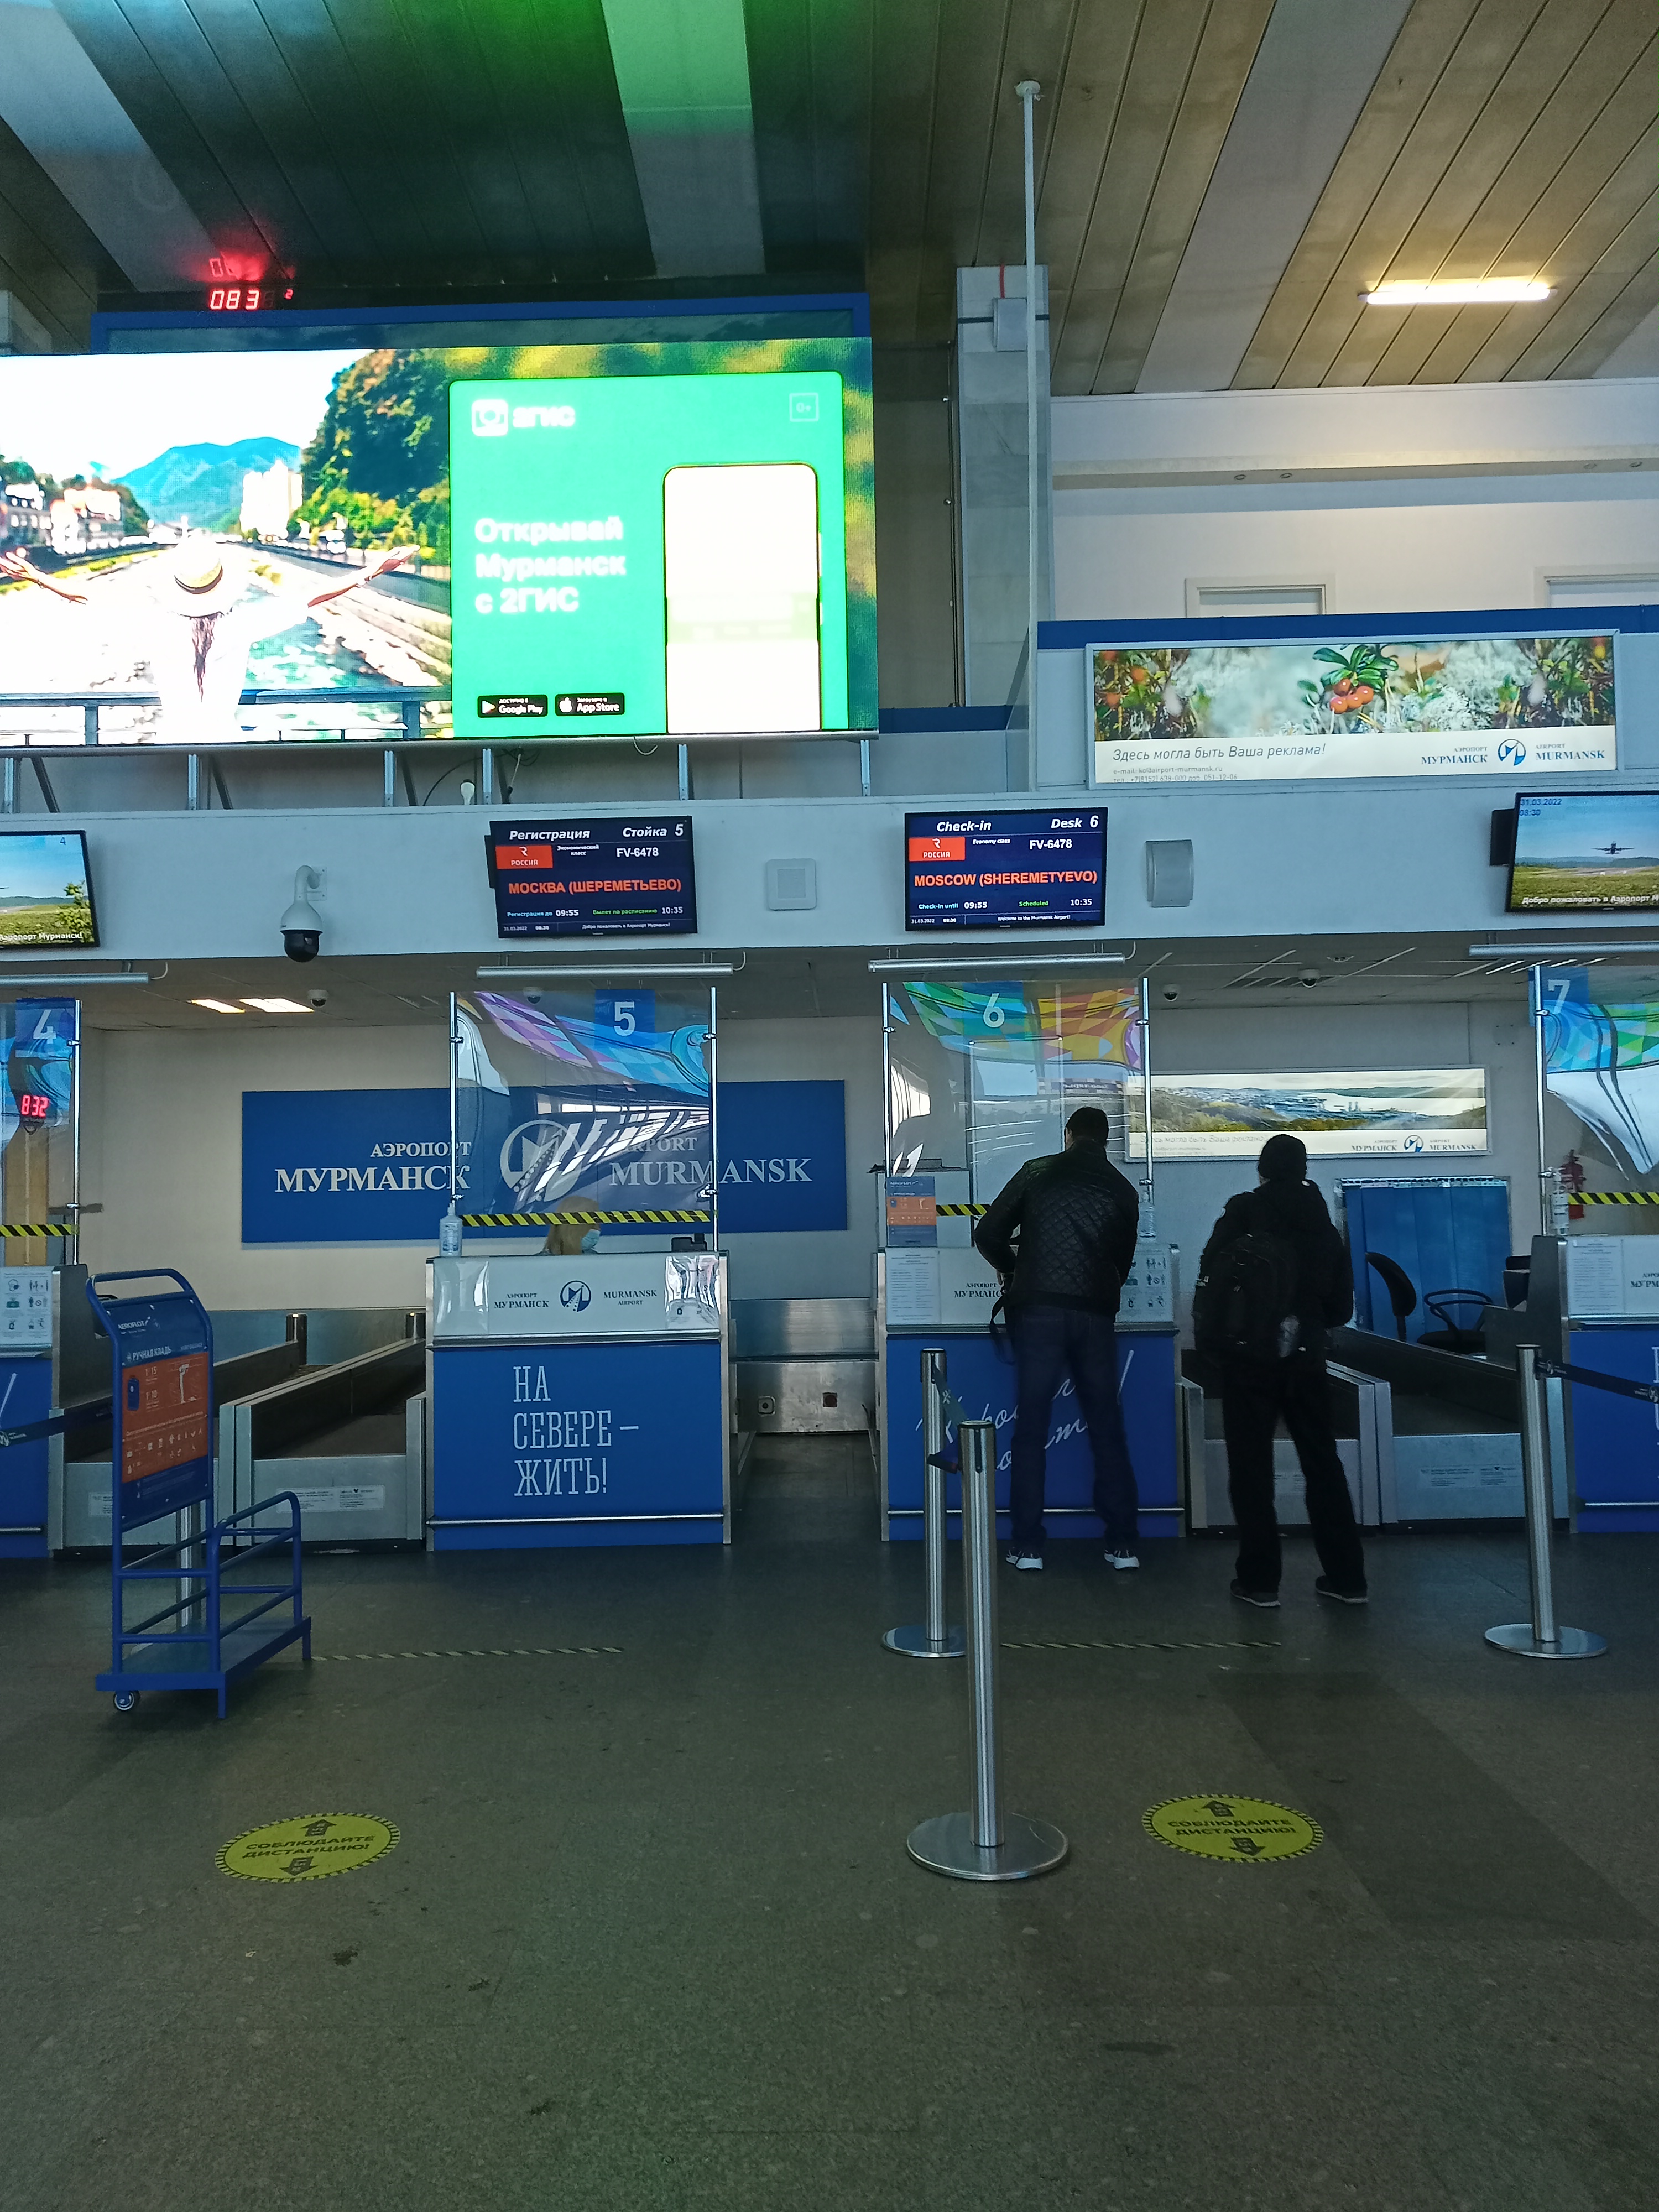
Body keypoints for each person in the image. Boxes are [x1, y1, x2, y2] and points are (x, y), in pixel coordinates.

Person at [0, 535, 414, 745]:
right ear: (221, 583)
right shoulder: (242, 624)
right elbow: (314, 595)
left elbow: (87, 596)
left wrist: (36, 577)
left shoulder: (154, 625)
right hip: (228, 744)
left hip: (169, 747)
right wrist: (373, 569)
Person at [1198, 1133, 1366, 1608]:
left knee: (1251, 1467)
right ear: (1304, 1169)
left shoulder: (1243, 1211)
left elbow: (1211, 1277)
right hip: (1306, 1357)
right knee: (1322, 1462)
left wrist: (1216, 1344)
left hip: (1248, 1359)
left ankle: (1260, 1582)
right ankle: (1348, 1578)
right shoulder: (1323, 1225)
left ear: (1262, 1169)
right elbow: (1341, 1307)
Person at [972, 1105, 1141, 1571]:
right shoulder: (1123, 1190)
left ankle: (1028, 1547)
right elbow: (1122, 1264)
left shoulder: (1037, 1171)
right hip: (1095, 1317)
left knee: (1031, 1428)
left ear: (1068, 1134)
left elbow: (987, 1233)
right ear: (1106, 1140)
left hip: (1039, 1314)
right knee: (1107, 1427)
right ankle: (1122, 1545)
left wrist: (1013, 1269)